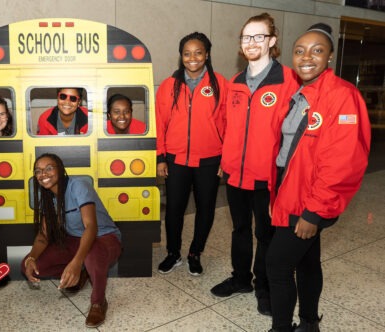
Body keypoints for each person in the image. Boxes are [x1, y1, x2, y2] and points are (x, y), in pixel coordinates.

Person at [266, 23, 371, 332]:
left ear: (330, 56)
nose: (306, 57)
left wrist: (314, 212)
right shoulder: (301, 93)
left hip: (311, 201)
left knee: (277, 265)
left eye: (317, 50)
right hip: (293, 192)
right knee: (307, 261)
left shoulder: (341, 96)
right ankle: (310, 323)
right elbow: (290, 151)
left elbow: (342, 163)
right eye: (299, 51)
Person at [210, 13, 300, 317]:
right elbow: (228, 126)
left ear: (272, 41)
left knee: (266, 234)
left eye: (258, 36)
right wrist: (226, 160)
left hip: (267, 175)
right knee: (238, 229)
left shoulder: (288, 81)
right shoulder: (235, 82)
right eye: (246, 37)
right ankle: (240, 279)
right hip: (235, 172)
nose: (251, 42)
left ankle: (264, 286)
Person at [155, 32, 227, 276]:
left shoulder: (221, 84)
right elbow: (159, 123)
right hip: (176, 160)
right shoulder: (169, 86)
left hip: (210, 159)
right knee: (174, 209)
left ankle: (195, 253)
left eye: (198, 52)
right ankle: (173, 253)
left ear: (207, 55)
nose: (192, 58)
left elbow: (229, 124)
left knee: (206, 209)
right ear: (181, 57)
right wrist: (160, 157)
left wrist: (225, 159)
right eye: (187, 53)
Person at [21, 153, 122, 328]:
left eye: (49, 168)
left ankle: (98, 302)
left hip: (104, 239)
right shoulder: (46, 196)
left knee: (91, 253)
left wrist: (76, 262)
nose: (43, 174)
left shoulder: (78, 186)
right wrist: (31, 257)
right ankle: (83, 273)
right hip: (75, 240)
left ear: (60, 169)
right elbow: (43, 236)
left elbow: (91, 228)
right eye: (38, 171)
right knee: (32, 265)